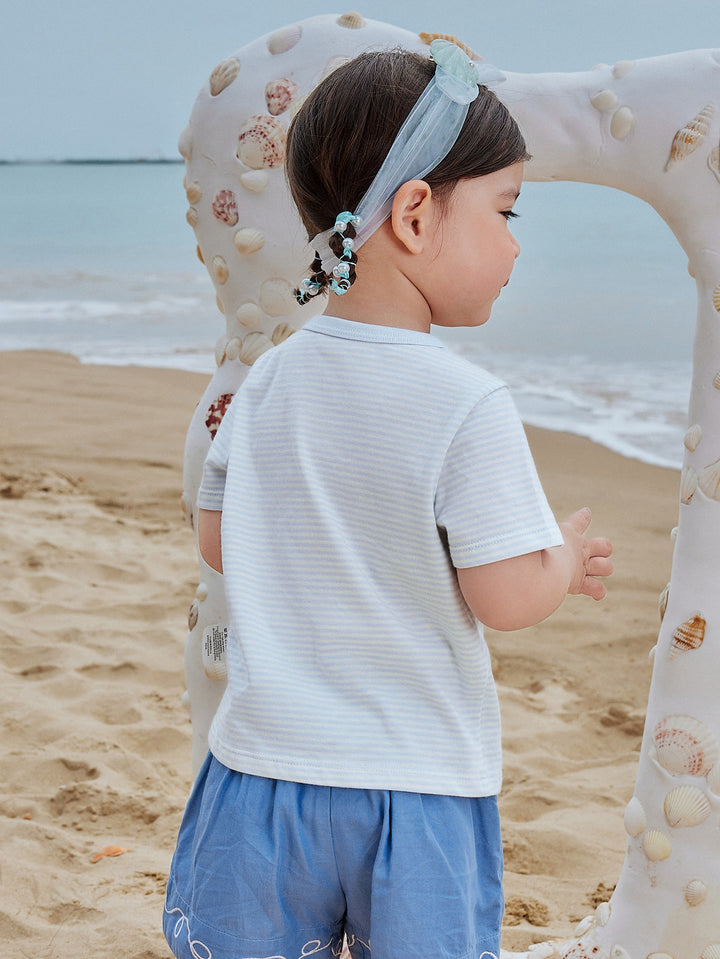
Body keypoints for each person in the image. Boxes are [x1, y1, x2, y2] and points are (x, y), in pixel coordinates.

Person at [163, 40, 613, 959]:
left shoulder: (269, 377)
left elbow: (217, 539)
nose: (515, 243)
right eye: (505, 210)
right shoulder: (465, 402)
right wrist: (561, 560)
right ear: (413, 214)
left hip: (262, 775)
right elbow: (504, 595)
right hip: (415, 785)